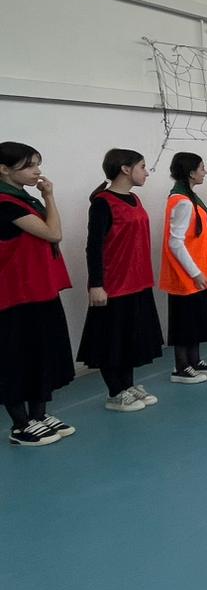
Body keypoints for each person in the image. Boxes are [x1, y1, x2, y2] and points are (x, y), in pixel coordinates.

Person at [0, 142, 76, 446]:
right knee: (16, 359)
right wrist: (49, 197)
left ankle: (39, 415)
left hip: (39, 291)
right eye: (29, 166)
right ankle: (20, 425)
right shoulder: (6, 204)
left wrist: (45, 198)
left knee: (42, 355)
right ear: (4, 169)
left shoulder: (25, 200)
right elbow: (53, 233)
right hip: (15, 296)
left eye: (37, 164)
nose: (37, 171)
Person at [79, 148, 165, 412]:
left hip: (138, 281)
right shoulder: (102, 202)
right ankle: (115, 392)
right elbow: (94, 247)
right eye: (142, 166)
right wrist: (96, 284)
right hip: (114, 284)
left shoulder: (135, 199)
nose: (146, 172)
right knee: (112, 341)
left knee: (130, 339)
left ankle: (128, 386)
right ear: (125, 169)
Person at [160, 152, 207, 386]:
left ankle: (195, 361)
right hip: (186, 274)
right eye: (201, 168)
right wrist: (195, 272)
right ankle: (181, 367)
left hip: (197, 270)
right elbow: (175, 242)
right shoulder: (182, 202)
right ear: (190, 172)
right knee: (184, 322)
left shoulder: (189, 198)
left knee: (195, 320)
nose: (205, 172)